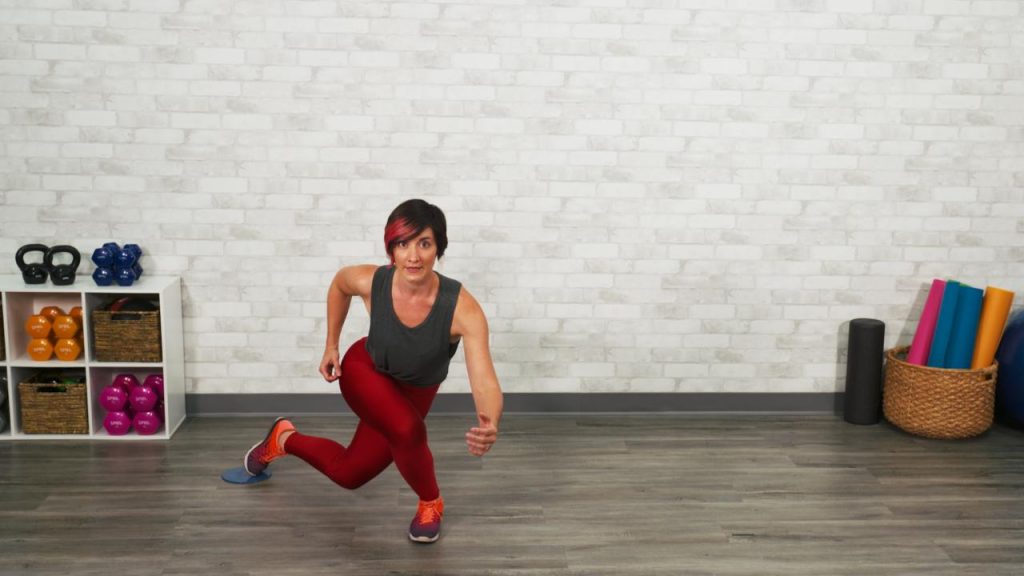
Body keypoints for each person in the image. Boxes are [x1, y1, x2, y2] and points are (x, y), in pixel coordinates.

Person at [242, 199, 503, 543]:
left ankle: (283, 438)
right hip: (365, 371)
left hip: (412, 394)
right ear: (391, 249)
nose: (413, 256)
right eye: (402, 243)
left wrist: (491, 422)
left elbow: (483, 377)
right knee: (408, 430)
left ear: (439, 248)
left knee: (349, 473)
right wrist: (331, 344)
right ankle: (431, 502)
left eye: (424, 243)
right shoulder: (372, 281)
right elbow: (340, 284)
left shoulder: (462, 309)